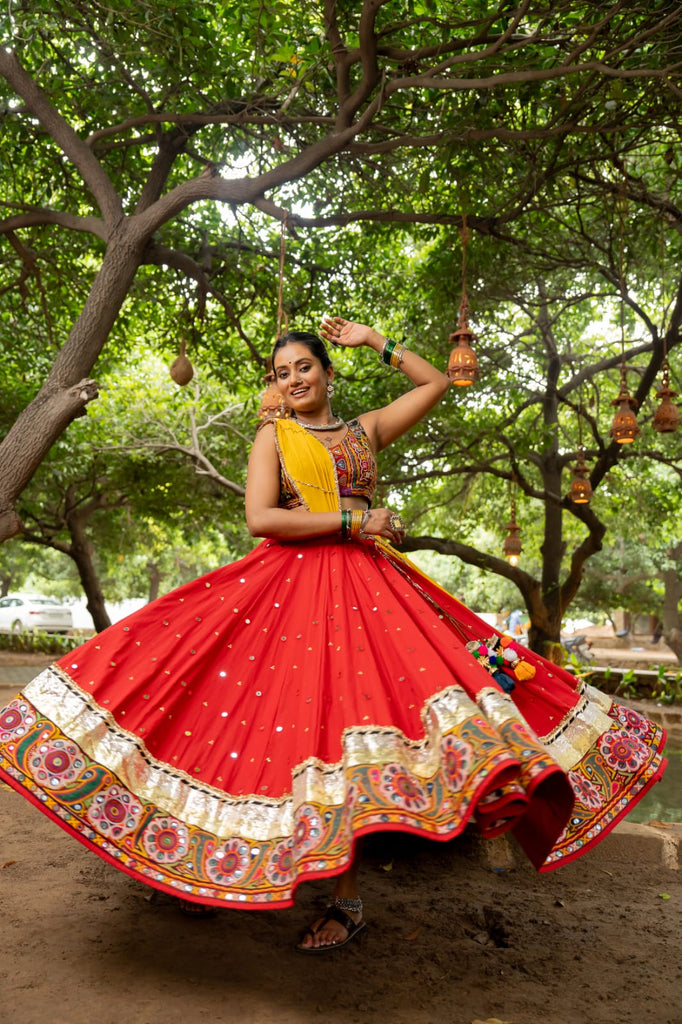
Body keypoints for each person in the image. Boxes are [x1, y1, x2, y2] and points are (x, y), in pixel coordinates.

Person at [0, 317, 667, 956]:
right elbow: (263, 518)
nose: (293, 379)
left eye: (304, 367)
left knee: (350, 735)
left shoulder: (363, 430)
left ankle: (346, 903)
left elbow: (435, 384)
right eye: (281, 372)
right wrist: (357, 522)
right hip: (293, 590)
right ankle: (205, 873)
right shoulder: (275, 438)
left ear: (326, 370)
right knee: (250, 730)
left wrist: (376, 340)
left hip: (369, 593)